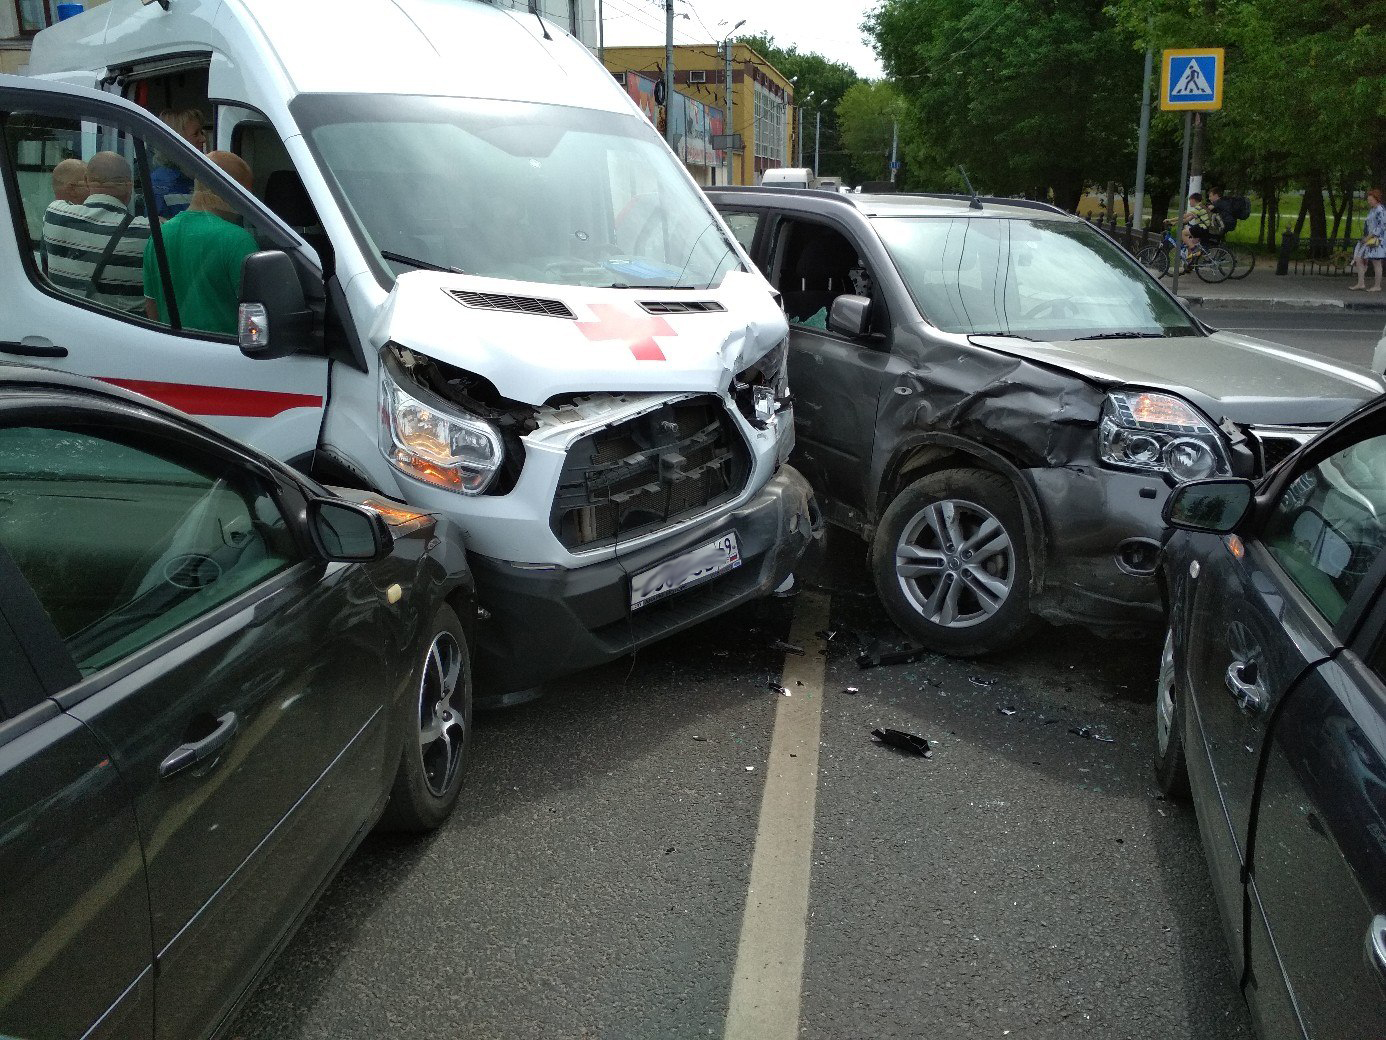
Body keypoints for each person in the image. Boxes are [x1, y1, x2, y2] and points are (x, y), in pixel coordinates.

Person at [143, 151, 259, 335]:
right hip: (226, 355)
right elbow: (257, 321)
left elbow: (152, 308)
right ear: (232, 192)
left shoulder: (158, 236)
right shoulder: (238, 240)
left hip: (173, 352)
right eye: (246, 192)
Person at [42, 152, 151, 315]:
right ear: (129, 185)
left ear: (87, 182)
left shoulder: (53, 214)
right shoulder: (148, 232)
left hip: (67, 329)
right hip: (125, 333)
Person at [151, 108, 207, 218]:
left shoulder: (200, 175)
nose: (203, 138)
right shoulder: (162, 183)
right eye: (196, 134)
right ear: (176, 140)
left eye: (202, 132)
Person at [1351, 188, 1385, 292]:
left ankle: (1377, 286)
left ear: (1376, 199)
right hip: (1369, 238)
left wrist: (1369, 237)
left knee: (1376, 262)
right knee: (1359, 259)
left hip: (1377, 240)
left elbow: (1380, 227)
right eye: (1368, 199)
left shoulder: (1380, 210)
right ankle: (1361, 283)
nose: (1369, 201)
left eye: (1371, 199)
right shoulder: (1373, 210)